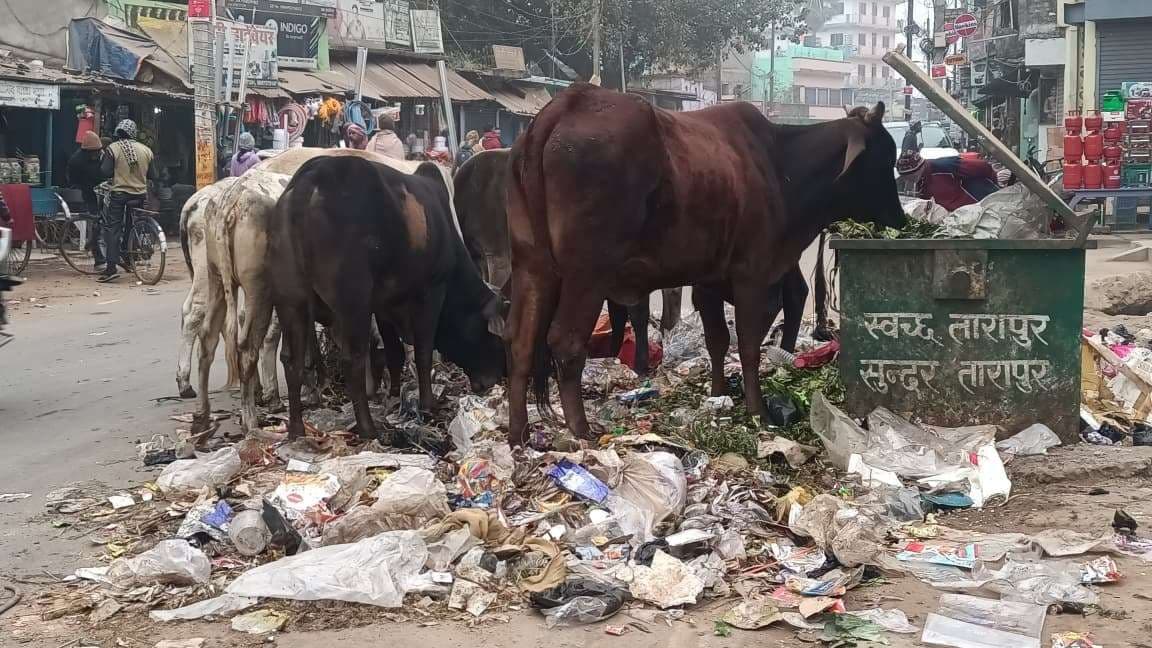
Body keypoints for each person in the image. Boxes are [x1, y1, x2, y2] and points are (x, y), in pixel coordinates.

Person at [98, 119, 157, 283]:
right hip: (140, 195)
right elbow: (154, 175)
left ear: (118, 133)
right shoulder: (146, 150)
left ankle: (111, 269)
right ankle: (128, 256)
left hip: (120, 194)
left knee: (113, 229)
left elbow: (105, 171)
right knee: (132, 225)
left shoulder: (113, 148)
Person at [896, 151, 999, 212]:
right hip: (957, 215)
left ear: (918, 169)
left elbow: (984, 166)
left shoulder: (946, 166)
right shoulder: (921, 182)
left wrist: (993, 187)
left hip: (981, 205)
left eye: (909, 176)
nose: (907, 180)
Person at [67, 131, 106, 268]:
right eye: (95, 152)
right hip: (87, 195)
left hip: (102, 193)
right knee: (95, 225)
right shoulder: (77, 161)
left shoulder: (102, 157)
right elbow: (73, 181)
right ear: (88, 152)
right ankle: (99, 259)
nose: (97, 154)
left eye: (99, 151)